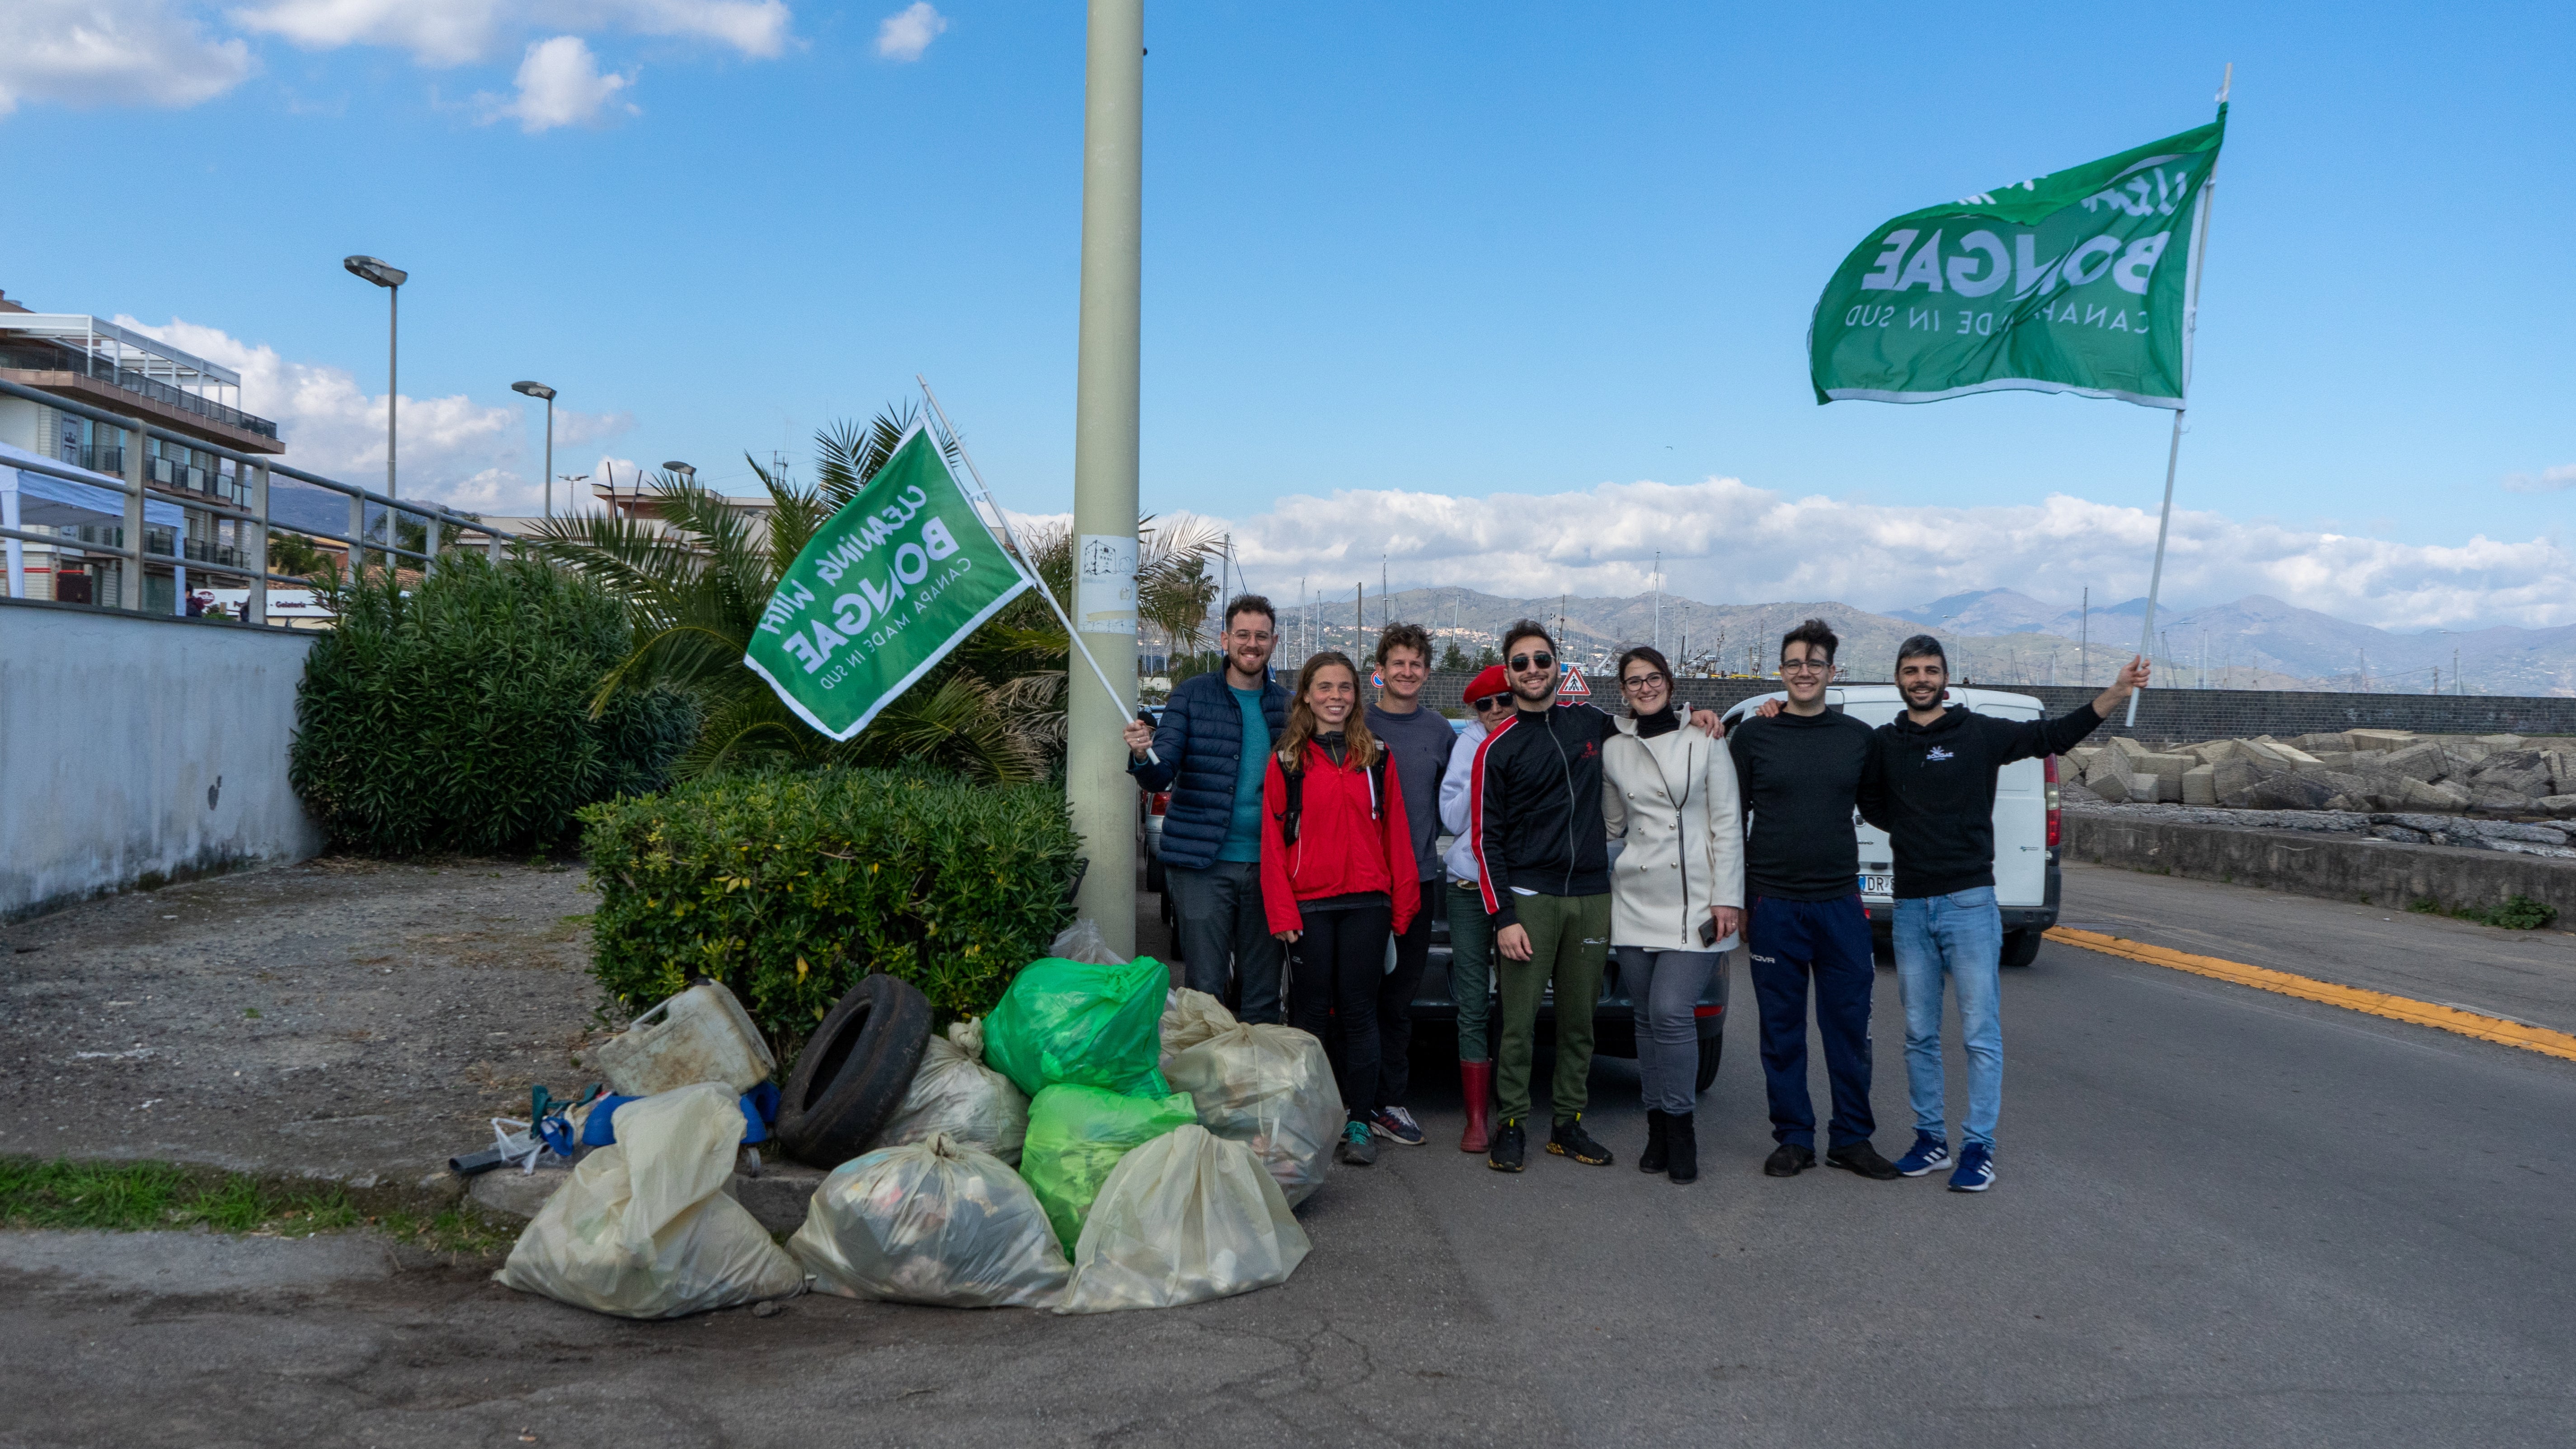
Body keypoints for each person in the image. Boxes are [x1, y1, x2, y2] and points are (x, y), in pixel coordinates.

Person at [1868, 638, 2149, 1192]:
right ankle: (1930, 1140)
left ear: (1945, 678)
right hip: (1909, 906)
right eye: (1911, 671)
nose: (1921, 679)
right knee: (1919, 1033)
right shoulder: (1883, 744)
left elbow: (2053, 736)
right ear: (1898, 680)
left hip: (1970, 903)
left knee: (1979, 1033)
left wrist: (2116, 692)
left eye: (1930, 670)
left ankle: (1978, 1148)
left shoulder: (1979, 733)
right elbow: (1862, 794)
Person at [1470, 620, 1722, 1173]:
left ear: (1558, 667)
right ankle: (1511, 1122)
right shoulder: (1497, 748)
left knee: (1580, 1022)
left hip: (1591, 897)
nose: (1533, 670)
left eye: (1542, 660)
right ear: (1508, 674)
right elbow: (1485, 840)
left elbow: (1651, 722)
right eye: (1521, 663)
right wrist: (1504, 916)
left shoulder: (1595, 726)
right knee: (1517, 1022)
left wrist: (1696, 715)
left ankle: (1567, 1123)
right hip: (1529, 899)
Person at [1727, 619, 1901, 1181]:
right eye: (1795, 663)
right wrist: (1739, 900)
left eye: (1816, 663)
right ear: (1781, 672)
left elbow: (1884, 807)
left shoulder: (1857, 738)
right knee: (1781, 1031)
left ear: (1833, 671)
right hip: (1774, 904)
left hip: (1839, 904)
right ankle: (1795, 1137)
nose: (1805, 672)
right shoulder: (1754, 737)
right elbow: (1730, 820)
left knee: (1849, 1027)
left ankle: (1851, 1138)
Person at [1260, 651, 1417, 1168]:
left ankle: (1359, 1120)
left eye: (1345, 688)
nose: (1335, 697)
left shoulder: (1378, 757)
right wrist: (1282, 913)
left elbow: (1396, 832)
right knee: (1309, 1017)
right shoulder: (1287, 760)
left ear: (1357, 695)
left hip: (1367, 903)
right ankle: (1311, 1120)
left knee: (1359, 1014)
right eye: (1324, 687)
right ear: (1305, 694)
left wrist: (1403, 905)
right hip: (1310, 905)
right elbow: (1272, 844)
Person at [1601, 646, 1743, 1186]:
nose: (1644, 687)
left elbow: (1728, 825)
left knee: (1670, 1012)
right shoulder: (1615, 750)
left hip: (1696, 904)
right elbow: (1615, 830)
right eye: (1634, 681)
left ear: (1670, 682)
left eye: (1652, 678)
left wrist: (1728, 898)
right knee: (1643, 1019)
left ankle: (1681, 1129)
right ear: (1623, 692)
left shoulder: (1705, 739)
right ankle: (1656, 1128)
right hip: (1635, 900)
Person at [1126, 596, 1292, 1022]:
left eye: (1260, 636)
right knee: (1205, 991)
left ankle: (1254, 1081)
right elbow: (1159, 776)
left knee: (1263, 992)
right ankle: (1207, 1083)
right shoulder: (1191, 695)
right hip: (1202, 866)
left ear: (1274, 642)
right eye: (1242, 635)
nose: (1251, 644)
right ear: (1225, 639)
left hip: (1270, 869)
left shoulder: (1289, 706)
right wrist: (1144, 756)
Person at [1362, 623, 1456, 1148]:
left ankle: (1389, 1101)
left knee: (1399, 999)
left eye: (1416, 664)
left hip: (1416, 881)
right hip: (1358, 886)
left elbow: (1455, 802)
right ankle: (1350, 1100)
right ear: (1381, 669)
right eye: (1397, 663)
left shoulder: (1440, 731)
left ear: (1426, 671)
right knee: (1352, 998)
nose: (1406, 672)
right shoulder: (1356, 721)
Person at [1437, 664, 1514, 1152]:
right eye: (1485, 705)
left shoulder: (1538, 733)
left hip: (1517, 886)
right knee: (1472, 997)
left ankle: (1511, 1103)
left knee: (1516, 996)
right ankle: (1477, 1116)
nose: (1496, 711)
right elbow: (1452, 816)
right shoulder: (1469, 744)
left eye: (1504, 700)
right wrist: (1486, 755)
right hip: (1469, 884)